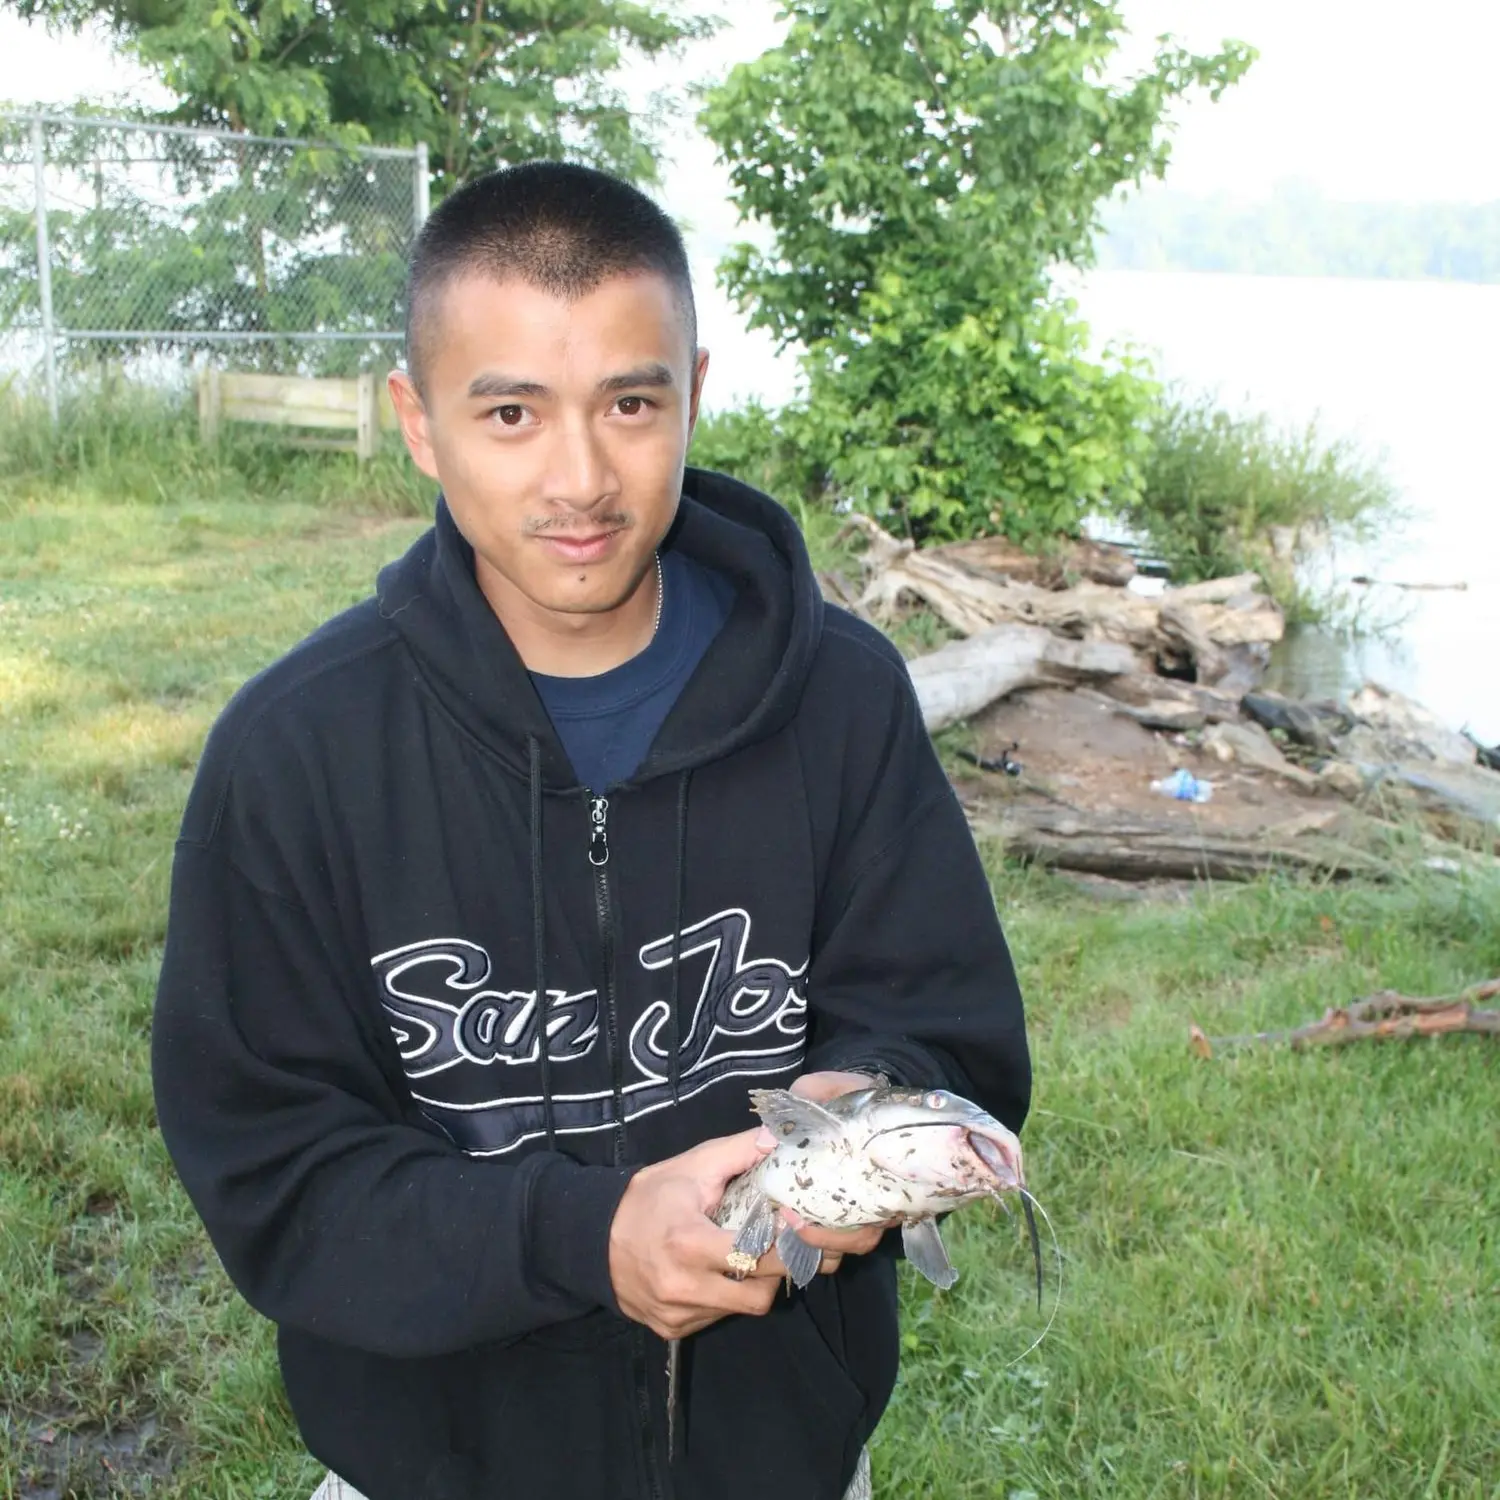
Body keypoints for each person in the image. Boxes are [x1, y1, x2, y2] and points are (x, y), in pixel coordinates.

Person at [151, 161, 1031, 1500]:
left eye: (631, 402)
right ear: (419, 420)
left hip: (781, 1464)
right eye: (510, 410)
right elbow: (276, 1177)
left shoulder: (843, 702)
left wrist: (859, 1129)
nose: (581, 476)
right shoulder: (294, 756)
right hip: (429, 1467)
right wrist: (592, 1236)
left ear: (695, 393)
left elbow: (947, 1031)